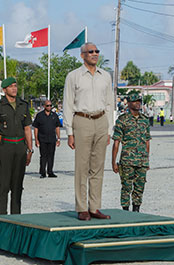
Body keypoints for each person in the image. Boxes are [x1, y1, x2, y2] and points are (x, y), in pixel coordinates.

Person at [63, 42, 113, 221]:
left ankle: (94, 207)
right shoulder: (73, 76)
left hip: (101, 120)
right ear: (82, 55)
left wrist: (109, 129)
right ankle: (82, 207)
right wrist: (69, 132)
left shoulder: (105, 76)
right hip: (82, 120)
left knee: (98, 167)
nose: (94, 54)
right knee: (82, 166)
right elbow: (68, 104)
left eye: (97, 51)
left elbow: (109, 103)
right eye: (90, 52)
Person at [0, 77, 33, 215]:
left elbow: (27, 128)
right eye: (11, 86)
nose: (14, 88)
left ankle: (16, 218)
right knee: (4, 186)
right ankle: (3, 218)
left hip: (20, 147)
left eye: (15, 86)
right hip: (4, 148)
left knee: (17, 185)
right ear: (4, 90)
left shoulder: (23, 105)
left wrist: (30, 150)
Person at [112, 93, 151, 212]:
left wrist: (147, 159)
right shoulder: (122, 120)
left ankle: (136, 211)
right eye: (135, 101)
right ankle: (125, 212)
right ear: (128, 103)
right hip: (127, 160)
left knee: (140, 187)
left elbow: (147, 141)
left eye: (139, 101)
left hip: (142, 161)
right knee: (126, 187)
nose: (138, 103)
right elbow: (116, 142)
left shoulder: (145, 120)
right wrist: (114, 162)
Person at [33, 100, 61, 178]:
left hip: (52, 139)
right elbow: (36, 128)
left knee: (51, 156)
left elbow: (57, 127)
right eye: (47, 105)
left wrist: (58, 139)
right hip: (42, 139)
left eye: (50, 105)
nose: (49, 107)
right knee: (43, 156)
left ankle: (50, 171)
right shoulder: (39, 115)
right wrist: (36, 139)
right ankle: (42, 172)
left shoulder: (54, 115)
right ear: (44, 106)